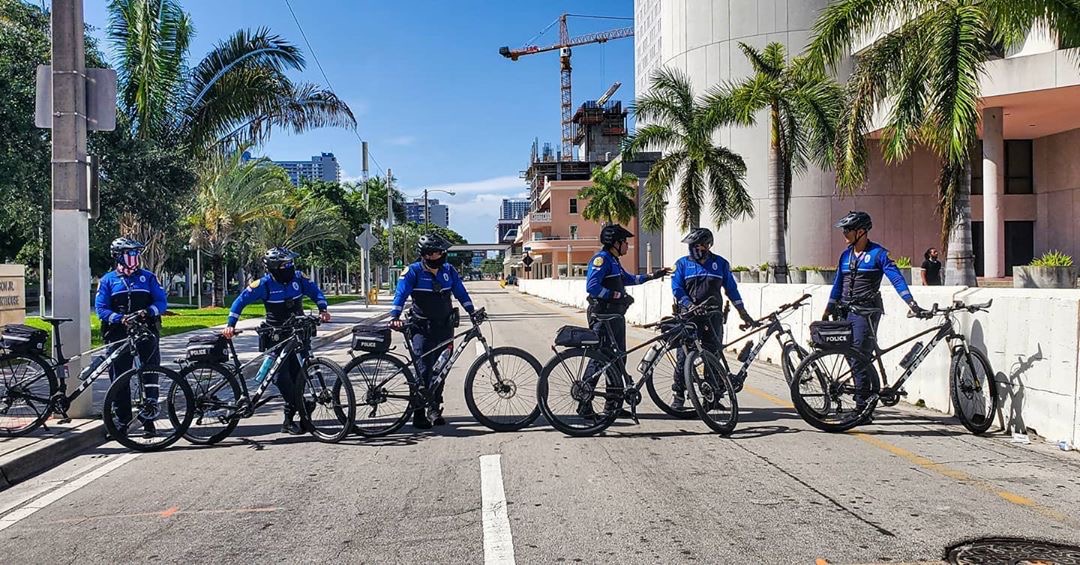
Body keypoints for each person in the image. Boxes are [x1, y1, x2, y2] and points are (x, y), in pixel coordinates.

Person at [224, 247, 331, 435]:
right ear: (274, 268)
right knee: (282, 379)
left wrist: (322, 309)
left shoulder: (298, 278)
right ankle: (302, 407)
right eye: (285, 264)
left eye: (290, 263)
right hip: (277, 337)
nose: (290, 267)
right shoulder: (264, 285)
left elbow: (315, 292)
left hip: (299, 333)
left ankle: (292, 420)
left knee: (301, 376)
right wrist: (231, 324)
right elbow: (239, 302)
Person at [825, 211, 923, 413]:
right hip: (845, 311)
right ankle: (865, 396)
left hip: (866, 312)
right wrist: (828, 309)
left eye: (847, 230)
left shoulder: (879, 254)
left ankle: (863, 408)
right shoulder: (846, 255)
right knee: (849, 355)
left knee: (860, 355)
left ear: (861, 232)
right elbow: (837, 284)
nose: (844, 234)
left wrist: (910, 302)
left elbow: (896, 278)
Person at [389, 233, 477, 429]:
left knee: (441, 369)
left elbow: (460, 291)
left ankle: (434, 408)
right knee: (424, 371)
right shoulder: (413, 271)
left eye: (441, 252)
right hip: (422, 329)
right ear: (427, 255)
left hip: (445, 328)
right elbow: (401, 293)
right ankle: (419, 413)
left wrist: (472, 311)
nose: (441, 255)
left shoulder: (449, 270)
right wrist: (394, 316)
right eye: (437, 253)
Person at [583, 224, 670, 415]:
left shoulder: (613, 261)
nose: (627, 245)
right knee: (599, 358)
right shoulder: (601, 259)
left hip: (615, 317)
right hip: (603, 317)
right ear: (615, 243)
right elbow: (593, 287)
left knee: (617, 359)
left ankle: (613, 405)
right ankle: (584, 403)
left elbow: (628, 279)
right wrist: (617, 296)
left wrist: (653, 276)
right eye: (625, 242)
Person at [670, 228, 757, 410]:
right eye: (691, 246)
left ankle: (712, 397)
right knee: (683, 356)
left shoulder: (721, 264)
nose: (694, 249)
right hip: (689, 316)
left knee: (713, 355)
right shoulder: (682, 264)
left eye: (698, 245)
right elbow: (677, 289)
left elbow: (731, 290)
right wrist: (688, 304)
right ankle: (678, 394)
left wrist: (743, 312)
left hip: (713, 317)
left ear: (708, 245)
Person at [95, 237, 168, 438]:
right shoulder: (108, 280)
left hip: (146, 331)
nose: (135, 257)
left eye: (136, 253)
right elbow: (101, 309)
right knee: (119, 378)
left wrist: (148, 312)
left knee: (149, 373)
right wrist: (119, 319)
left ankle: (149, 420)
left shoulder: (148, 277)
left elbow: (161, 302)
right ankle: (122, 422)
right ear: (118, 256)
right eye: (130, 253)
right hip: (118, 334)